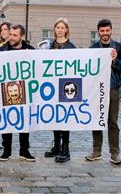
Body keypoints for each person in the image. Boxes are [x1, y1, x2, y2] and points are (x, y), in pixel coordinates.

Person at [85, 19, 121, 165]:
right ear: (98, 32)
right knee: (97, 120)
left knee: (112, 121)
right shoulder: (93, 49)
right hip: (96, 90)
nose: (105, 33)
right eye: (102, 31)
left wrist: (115, 61)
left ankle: (114, 153)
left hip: (113, 89)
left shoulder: (119, 48)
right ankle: (96, 150)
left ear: (111, 30)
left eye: (107, 30)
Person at [0, 24, 36, 162]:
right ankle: (7, 150)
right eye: (11, 34)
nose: (11, 37)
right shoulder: (2, 49)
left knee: (25, 120)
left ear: (21, 36)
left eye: (15, 35)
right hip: (7, 88)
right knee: (7, 119)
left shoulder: (30, 50)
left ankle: (24, 150)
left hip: (25, 88)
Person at [44, 18, 76, 163]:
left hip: (66, 85)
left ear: (66, 30)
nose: (60, 30)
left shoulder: (71, 47)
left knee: (65, 118)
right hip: (52, 85)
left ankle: (66, 149)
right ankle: (56, 145)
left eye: (63, 27)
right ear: (54, 29)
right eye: (58, 27)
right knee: (55, 117)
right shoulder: (49, 46)